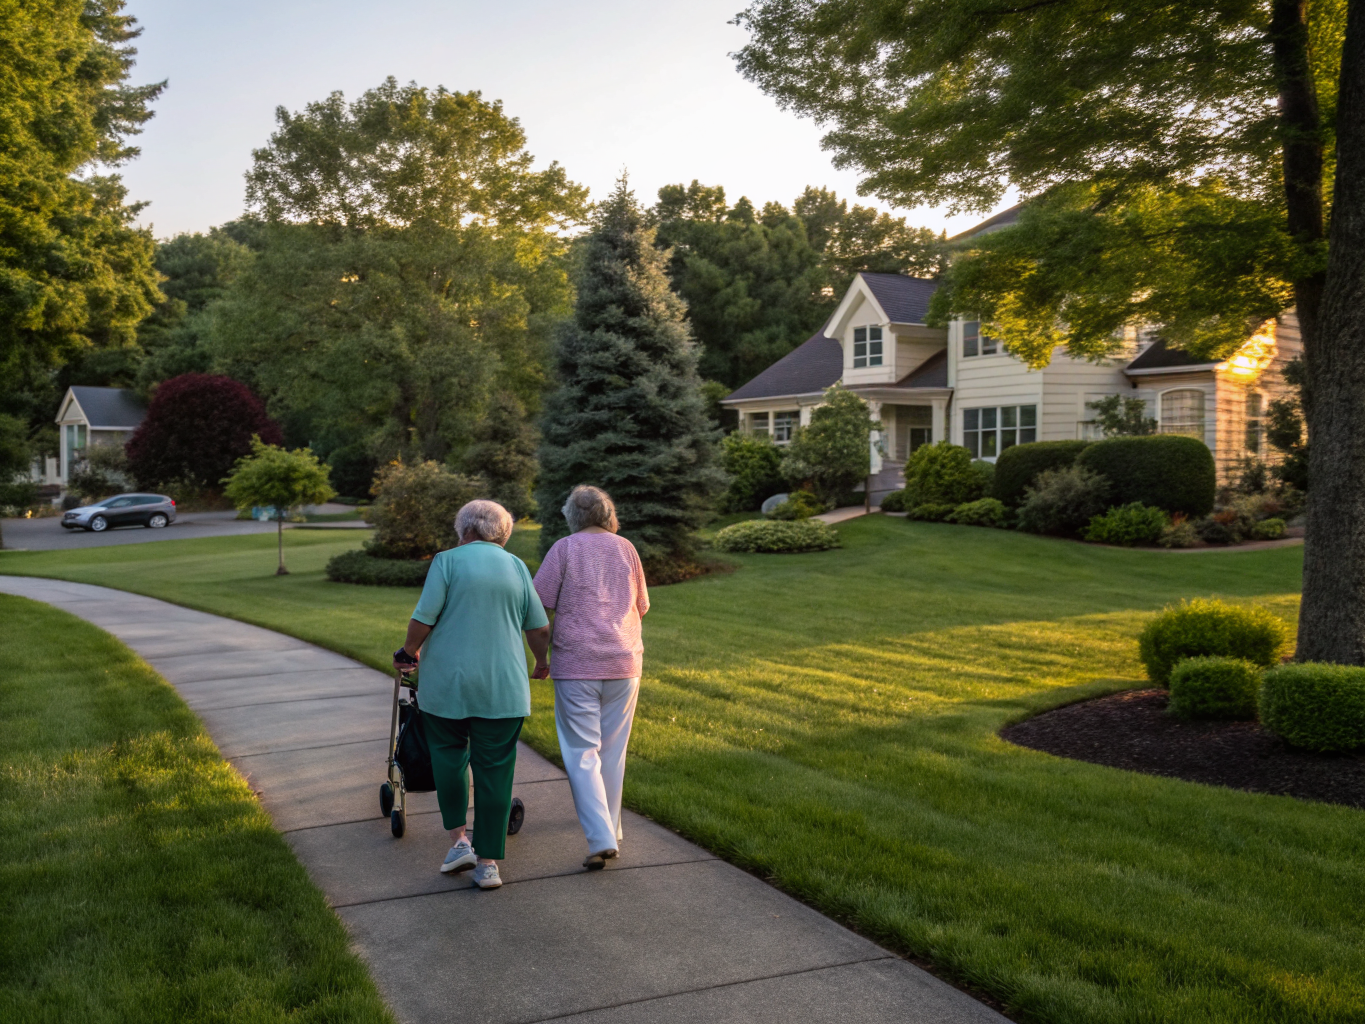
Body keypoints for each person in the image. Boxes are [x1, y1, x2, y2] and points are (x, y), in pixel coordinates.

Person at [393, 499, 550, 890]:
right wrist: (542, 661)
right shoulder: (516, 566)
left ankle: (458, 841)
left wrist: (408, 653)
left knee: (448, 759)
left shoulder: (447, 561)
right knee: (495, 771)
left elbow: (423, 617)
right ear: (503, 531)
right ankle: (488, 865)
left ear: (464, 529)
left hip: (448, 685)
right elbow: (539, 629)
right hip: (503, 687)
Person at [533, 485, 649, 870]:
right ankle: (610, 829)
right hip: (623, 661)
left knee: (582, 750)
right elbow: (641, 606)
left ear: (572, 516)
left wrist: (540, 655)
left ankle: (601, 837)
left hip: (577, 662)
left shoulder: (564, 549)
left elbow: (539, 607)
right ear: (607, 513)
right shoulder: (626, 548)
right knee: (613, 751)